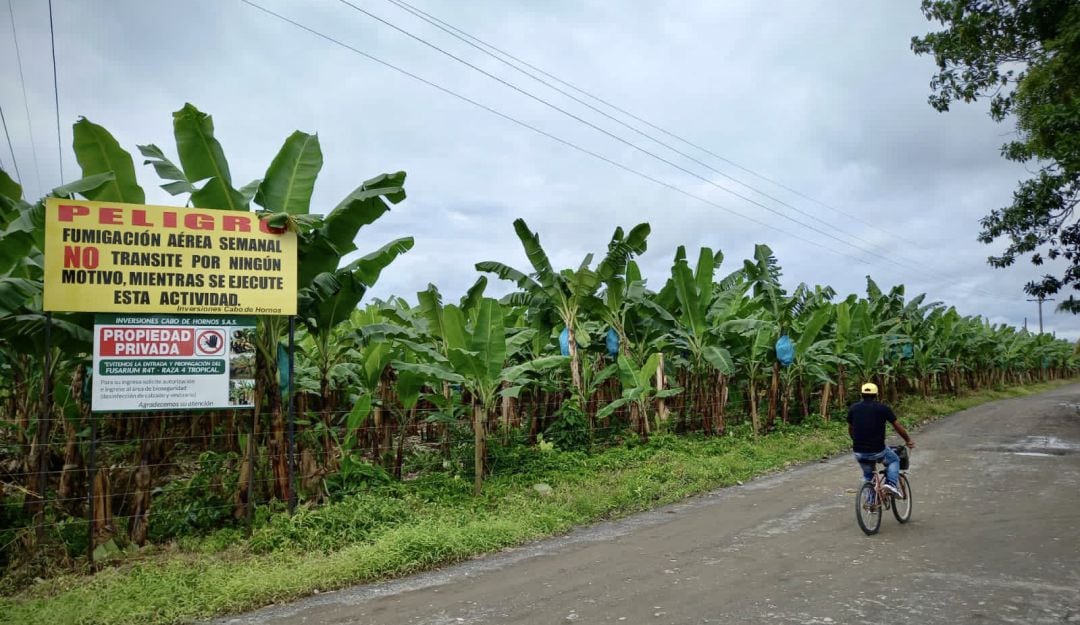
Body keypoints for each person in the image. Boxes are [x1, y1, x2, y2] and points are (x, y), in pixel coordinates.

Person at [847, 382, 914, 497]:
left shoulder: (854, 408)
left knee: (868, 476)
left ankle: (870, 504)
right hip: (877, 450)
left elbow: (850, 428)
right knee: (894, 460)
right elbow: (897, 426)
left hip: (859, 452)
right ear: (876, 395)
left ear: (861, 394)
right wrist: (908, 440)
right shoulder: (883, 408)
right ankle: (891, 484)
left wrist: (856, 441)